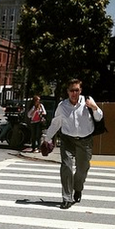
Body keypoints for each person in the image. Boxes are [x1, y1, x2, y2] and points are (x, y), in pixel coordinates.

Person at [42, 78, 104, 209]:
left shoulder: (87, 101)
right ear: (67, 92)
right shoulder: (62, 106)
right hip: (67, 140)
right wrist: (47, 138)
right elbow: (56, 123)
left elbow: (99, 117)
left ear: (80, 90)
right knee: (66, 167)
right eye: (72, 91)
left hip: (85, 141)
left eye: (76, 90)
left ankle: (78, 188)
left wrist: (94, 107)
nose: (74, 93)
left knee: (82, 169)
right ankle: (66, 198)